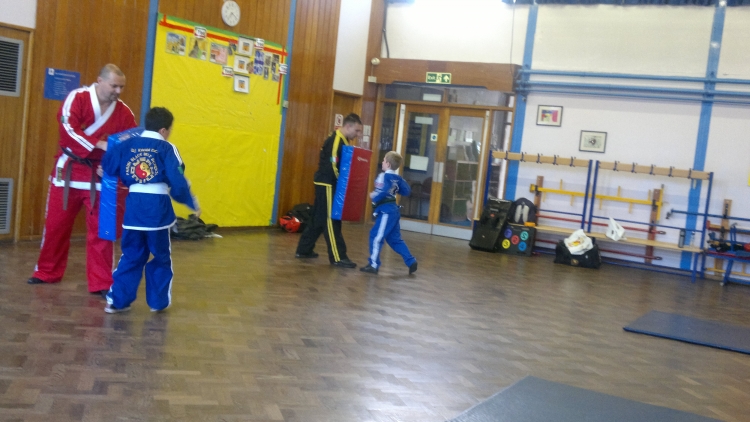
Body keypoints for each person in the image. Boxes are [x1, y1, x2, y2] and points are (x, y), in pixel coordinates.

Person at [27, 64, 137, 297]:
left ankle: (101, 282)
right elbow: (68, 130)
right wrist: (100, 144)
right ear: (99, 81)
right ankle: (47, 271)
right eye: (114, 86)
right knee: (55, 226)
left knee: (101, 232)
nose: (118, 91)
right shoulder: (77, 98)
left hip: (100, 175)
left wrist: (114, 165)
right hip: (68, 172)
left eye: (121, 87)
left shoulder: (124, 112)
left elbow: (130, 145)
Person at [101, 107, 199, 313]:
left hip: (133, 207)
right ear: (163, 130)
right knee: (161, 256)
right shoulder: (167, 148)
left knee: (130, 255)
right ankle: (157, 302)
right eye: (169, 130)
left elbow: (108, 165)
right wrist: (191, 202)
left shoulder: (126, 145)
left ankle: (117, 301)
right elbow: (178, 180)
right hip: (157, 209)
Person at [295, 113, 363, 268]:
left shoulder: (343, 140)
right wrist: (343, 185)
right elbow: (333, 166)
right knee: (332, 219)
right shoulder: (336, 140)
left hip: (325, 183)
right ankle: (338, 257)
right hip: (327, 184)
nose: (358, 135)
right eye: (357, 131)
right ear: (348, 126)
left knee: (318, 218)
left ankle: (304, 249)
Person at [360, 151, 417, 275]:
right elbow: (407, 191)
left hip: (386, 212)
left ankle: (373, 264)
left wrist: (374, 196)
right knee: (394, 239)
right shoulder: (398, 178)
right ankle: (411, 261)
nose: (382, 162)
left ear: (388, 164)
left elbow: (383, 190)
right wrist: (396, 185)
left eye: (384, 160)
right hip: (394, 211)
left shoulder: (384, 176)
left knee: (375, 236)